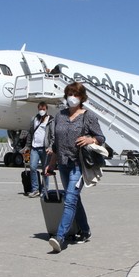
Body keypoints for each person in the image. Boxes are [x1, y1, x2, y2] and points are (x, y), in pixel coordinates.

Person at [45, 82, 104, 253]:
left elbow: (101, 137)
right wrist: (50, 164)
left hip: (79, 165)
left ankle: (60, 237)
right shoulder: (60, 116)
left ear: (82, 97)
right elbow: (56, 144)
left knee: (70, 200)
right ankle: (85, 231)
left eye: (76, 94)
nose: (72, 97)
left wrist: (90, 140)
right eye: (70, 94)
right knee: (74, 199)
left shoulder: (88, 116)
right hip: (63, 164)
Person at [23, 101, 54, 198]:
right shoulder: (34, 119)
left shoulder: (50, 120)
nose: (41, 111)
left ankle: (44, 190)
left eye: (43, 109)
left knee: (45, 170)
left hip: (45, 148)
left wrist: (51, 147)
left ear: (46, 109)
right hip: (35, 147)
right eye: (40, 109)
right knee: (32, 167)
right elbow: (30, 133)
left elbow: (53, 136)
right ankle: (35, 189)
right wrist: (27, 147)